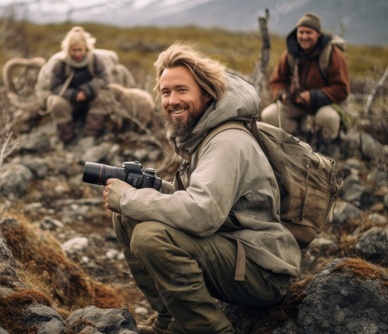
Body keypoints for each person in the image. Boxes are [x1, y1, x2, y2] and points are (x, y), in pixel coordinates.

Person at [101, 42, 301, 333]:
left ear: (206, 93)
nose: (172, 100)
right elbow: (209, 204)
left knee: (149, 235)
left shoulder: (227, 141)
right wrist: (154, 192)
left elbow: (203, 214)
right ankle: (173, 320)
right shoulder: (202, 134)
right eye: (166, 92)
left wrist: (132, 198)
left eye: (182, 90)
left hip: (261, 271)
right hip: (232, 248)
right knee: (127, 216)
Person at [260, 12, 350, 152]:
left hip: (327, 104)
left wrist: (314, 96)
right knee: (269, 115)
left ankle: (328, 147)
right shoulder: (291, 52)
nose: (304, 36)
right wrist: (282, 94)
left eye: (309, 32)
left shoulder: (332, 54)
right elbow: (277, 80)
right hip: (297, 102)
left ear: (318, 34)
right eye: (301, 32)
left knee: (327, 118)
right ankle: (299, 141)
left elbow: (342, 89)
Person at [43, 26, 110, 144]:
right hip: (70, 102)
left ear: (86, 48)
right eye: (74, 50)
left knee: (104, 95)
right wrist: (74, 94)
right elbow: (55, 87)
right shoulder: (60, 64)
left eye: (80, 50)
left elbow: (104, 79)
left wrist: (87, 90)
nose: (77, 54)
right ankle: (67, 139)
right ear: (68, 49)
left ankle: (90, 136)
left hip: (90, 100)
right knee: (55, 102)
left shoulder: (94, 60)